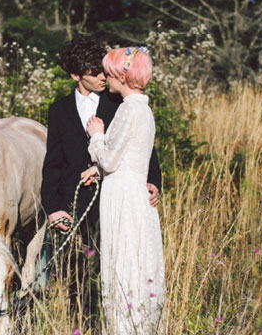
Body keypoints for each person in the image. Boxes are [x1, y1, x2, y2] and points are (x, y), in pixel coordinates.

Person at [40, 36, 162, 322]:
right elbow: (53, 163)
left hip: (118, 203)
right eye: (94, 72)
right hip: (76, 208)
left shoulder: (120, 100)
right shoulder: (59, 110)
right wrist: (53, 208)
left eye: (103, 70)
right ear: (75, 75)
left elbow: (145, 148)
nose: (102, 77)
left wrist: (153, 181)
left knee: (122, 270)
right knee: (81, 278)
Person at [82, 46, 165, 334]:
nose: (105, 77)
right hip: (132, 191)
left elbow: (109, 160)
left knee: (123, 260)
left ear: (122, 76)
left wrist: (96, 136)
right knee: (134, 260)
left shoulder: (128, 110)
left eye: (108, 72)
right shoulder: (143, 108)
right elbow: (128, 157)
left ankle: (125, 327)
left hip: (122, 196)